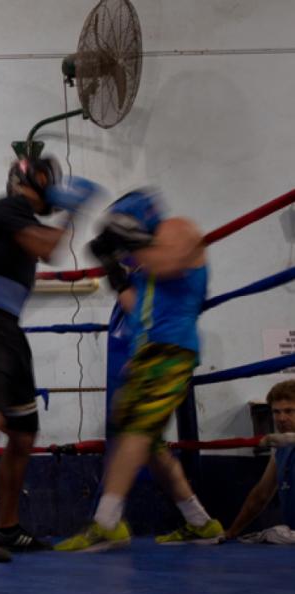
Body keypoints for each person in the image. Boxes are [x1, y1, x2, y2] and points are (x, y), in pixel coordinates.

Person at [0, 156, 100, 561]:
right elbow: (49, 250)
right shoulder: (7, 206)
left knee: (23, 433)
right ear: (34, 181)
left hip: (7, 329)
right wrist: (73, 211)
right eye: (50, 182)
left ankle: (7, 527)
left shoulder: (23, 217)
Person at [56, 189, 224, 552]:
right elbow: (137, 307)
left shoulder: (177, 229)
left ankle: (106, 523)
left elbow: (172, 263)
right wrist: (115, 273)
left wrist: (127, 239)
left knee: (135, 430)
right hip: (151, 350)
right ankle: (200, 523)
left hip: (172, 348)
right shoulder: (147, 263)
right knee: (147, 441)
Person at [222, 379, 295, 543]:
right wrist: (232, 531)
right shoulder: (280, 448)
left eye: (289, 411)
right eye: (276, 412)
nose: (282, 418)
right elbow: (261, 495)